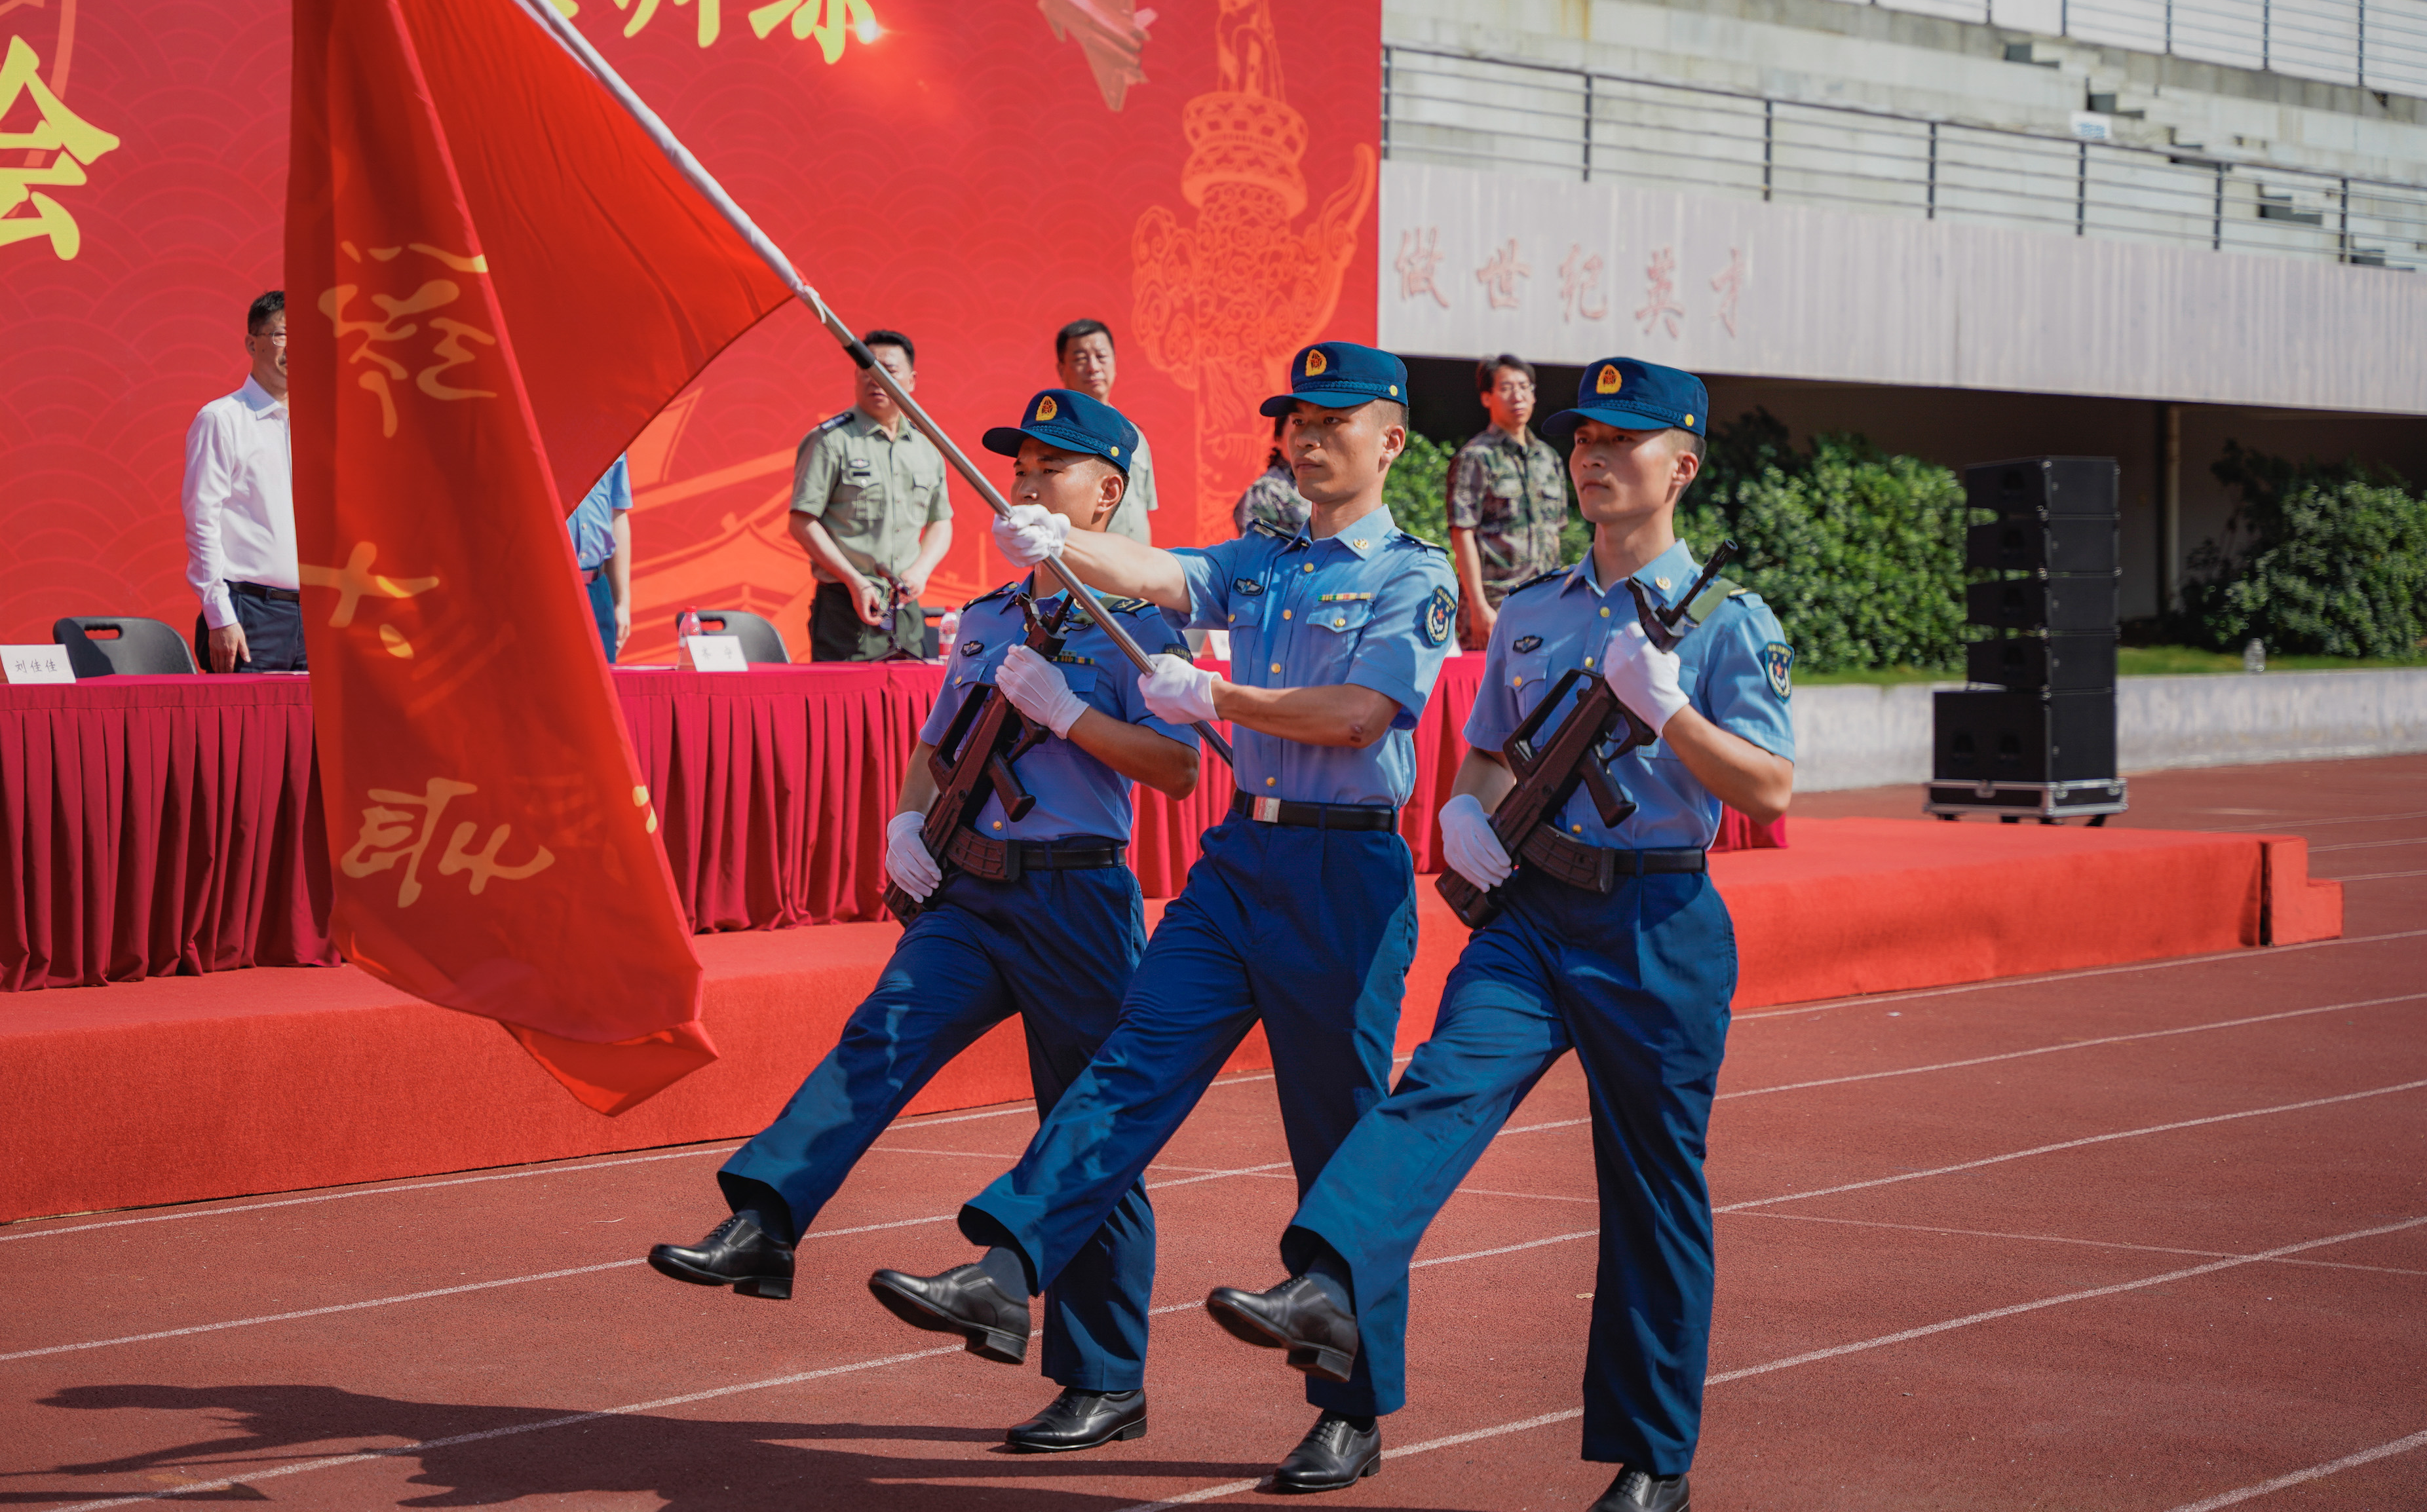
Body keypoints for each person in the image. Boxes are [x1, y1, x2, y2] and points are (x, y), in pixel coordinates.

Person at [1202, 357, 1794, 1512]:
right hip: (1531, 916)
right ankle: (1325, 1276)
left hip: (1655, 920)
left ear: (1677, 466)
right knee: (1434, 1091)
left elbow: (1767, 788)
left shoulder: (1728, 621)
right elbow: (1485, 750)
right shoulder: (1530, 611)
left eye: (1618, 443)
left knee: (1649, 1189)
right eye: (1581, 440)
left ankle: (1650, 1459)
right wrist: (1467, 814)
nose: (1590, 458)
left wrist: (1666, 707)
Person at [866, 342, 1459, 1494]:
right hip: (1243, 855)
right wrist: (1057, 539)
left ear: (1388, 439)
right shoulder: (1265, 560)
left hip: (1345, 869)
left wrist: (1223, 698)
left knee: (1334, 1138)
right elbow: (1163, 572)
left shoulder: (1409, 574)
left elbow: (1357, 714)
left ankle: (1349, 1406)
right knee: (1126, 1066)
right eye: (1295, 418)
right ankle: (1007, 1262)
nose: (1308, 435)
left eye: (1335, 418)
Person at [650, 387, 1198, 1453]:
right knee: (876, 1039)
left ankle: (1103, 1378)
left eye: (1052, 464)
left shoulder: (1137, 626)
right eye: (1019, 463)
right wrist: (905, 824)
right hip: (971, 891)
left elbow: (1178, 771)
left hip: (1076, 896)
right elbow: (937, 740)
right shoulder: (990, 617)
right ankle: (764, 1221)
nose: (1026, 480)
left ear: (1107, 489)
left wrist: (1073, 714)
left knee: (1081, 1125)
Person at [788, 330, 951, 662]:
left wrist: (921, 571)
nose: (875, 379)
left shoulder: (927, 447)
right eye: (866, 371)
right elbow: (802, 521)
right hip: (845, 606)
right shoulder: (831, 440)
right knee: (842, 710)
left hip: (905, 607)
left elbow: (941, 521)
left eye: (887, 371)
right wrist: (854, 580)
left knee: (910, 709)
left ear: (911, 380)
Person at [182, 290, 304, 673]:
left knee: (313, 734)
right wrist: (220, 615)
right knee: (252, 733)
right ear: (253, 343)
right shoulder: (222, 419)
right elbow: (202, 520)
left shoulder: (320, 425)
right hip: (251, 615)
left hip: (318, 616)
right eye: (282, 335)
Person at [1447, 353, 1570, 652]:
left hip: (1546, 604)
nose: (1517, 395)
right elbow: (1462, 533)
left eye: (1524, 386)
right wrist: (1477, 607)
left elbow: (1556, 533)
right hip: (1497, 604)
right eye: (1506, 388)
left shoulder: (1549, 458)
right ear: (1487, 398)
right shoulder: (1475, 457)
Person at [1052, 319, 1158, 544]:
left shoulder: (1134, 435)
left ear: (1115, 362)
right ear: (1061, 369)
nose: (1093, 367)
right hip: (1084, 569)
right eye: (1080, 358)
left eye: (1101, 356)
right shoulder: (1054, 438)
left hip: (1136, 568)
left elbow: (1144, 510)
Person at [566, 453, 632, 664]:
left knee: (604, 686)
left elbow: (617, 514)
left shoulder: (611, 435)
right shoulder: (532, 436)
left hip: (597, 590)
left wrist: (622, 602)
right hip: (546, 588)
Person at [1231, 411, 1310, 538]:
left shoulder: (1329, 482)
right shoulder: (1265, 491)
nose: (1307, 441)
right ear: (1278, 439)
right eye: (1298, 426)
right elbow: (1257, 551)